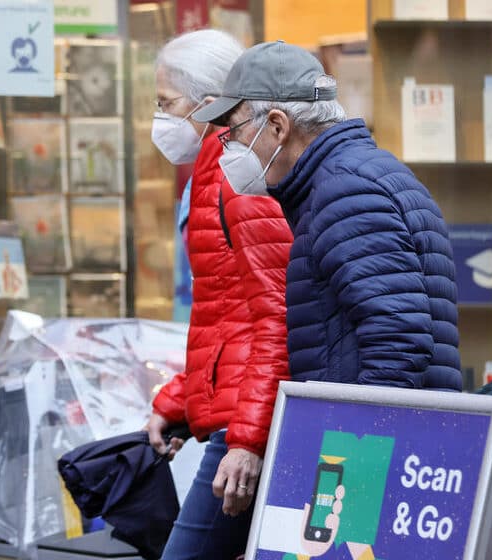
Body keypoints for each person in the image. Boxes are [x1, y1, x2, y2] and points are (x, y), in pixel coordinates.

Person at [193, 40, 461, 395]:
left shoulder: (346, 191)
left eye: (234, 132)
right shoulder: (349, 178)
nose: (229, 148)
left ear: (277, 127)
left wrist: (355, 443)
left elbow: (397, 340)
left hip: (379, 441)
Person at [145, 29, 294, 560]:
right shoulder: (210, 173)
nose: (158, 120)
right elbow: (226, 313)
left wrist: (248, 441)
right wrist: (180, 400)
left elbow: (276, 311)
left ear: (208, 105)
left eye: (166, 104)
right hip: (242, 410)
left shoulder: (237, 175)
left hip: (250, 421)